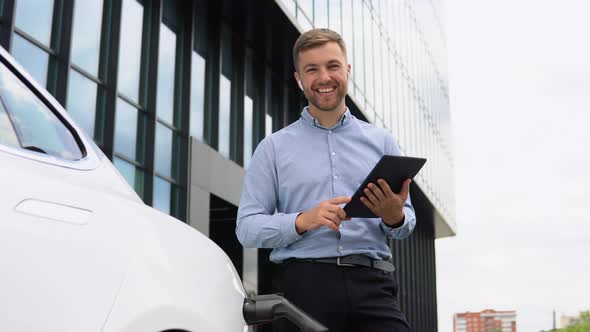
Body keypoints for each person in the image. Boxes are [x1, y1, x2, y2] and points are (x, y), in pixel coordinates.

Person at [236, 28, 415, 332]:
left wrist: (394, 216)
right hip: (304, 288)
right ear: (299, 79)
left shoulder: (382, 141)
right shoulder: (273, 148)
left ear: (346, 70)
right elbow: (246, 228)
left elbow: (405, 224)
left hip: (373, 284)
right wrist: (303, 220)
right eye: (312, 69)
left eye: (332, 66)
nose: (324, 77)